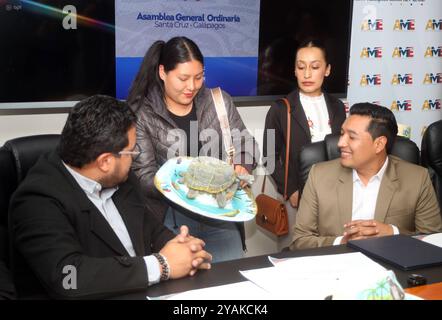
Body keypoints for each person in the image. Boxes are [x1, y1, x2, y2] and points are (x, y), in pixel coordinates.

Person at [9, 95, 211, 299]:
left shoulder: (119, 176)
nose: (134, 157)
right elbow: (68, 277)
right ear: (105, 161)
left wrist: (185, 249)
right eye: (131, 152)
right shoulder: (36, 201)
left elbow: (149, 227)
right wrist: (161, 265)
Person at [127, 36, 259, 263]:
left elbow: (246, 144)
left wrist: (241, 165)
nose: (192, 86)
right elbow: (143, 176)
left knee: (229, 280)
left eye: (198, 77)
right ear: (162, 72)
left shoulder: (219, 102)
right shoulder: (143, 114)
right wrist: (191, 183)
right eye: (183, 78)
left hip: (220, 213)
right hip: (170, 219)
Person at [291, 103, 442, 250]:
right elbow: (300, 240)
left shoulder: (417, 178)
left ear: (379, 144)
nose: (340, 143)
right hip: (337, 267)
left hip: (391, 267)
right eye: (342, 134)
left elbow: (432, 239)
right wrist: (341, 241)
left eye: (352, 137)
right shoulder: (319, 175)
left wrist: (393, 233)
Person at [262, 39, 346, 249]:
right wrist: (290, 189)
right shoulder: (281, 109)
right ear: (295, 70)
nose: (307, 74)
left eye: (315, 67)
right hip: (297, 197)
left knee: (334, 250)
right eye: (301, 67)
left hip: (336, 194)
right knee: (296, 254)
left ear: (327, 70)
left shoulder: (337, 106)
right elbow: (268, 156)